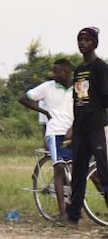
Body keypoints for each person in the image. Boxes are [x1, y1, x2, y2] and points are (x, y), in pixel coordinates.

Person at [62, 27, 108, 227]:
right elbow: (79, 100)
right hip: (80, 129)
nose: (82, 43)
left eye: (86, 40)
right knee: (78, 173)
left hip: (96, 127)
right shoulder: (80, 71)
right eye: (79, 40)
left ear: (94, 43)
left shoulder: (100, 68)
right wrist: (73, 126)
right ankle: (73, 218)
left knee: (104, 172)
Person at [19, 59, 74, 222]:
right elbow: (24, 98)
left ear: (67, 72)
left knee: (76, 170)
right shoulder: (47, 87)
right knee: (59, 169)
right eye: (53, 71)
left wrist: (74, 128)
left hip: (73, 132)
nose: (54, 74)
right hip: (55, 132)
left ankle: (72, 208)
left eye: (58, 72)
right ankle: (63, 213)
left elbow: (83, 108)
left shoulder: (78, 87)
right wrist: (44, 111)